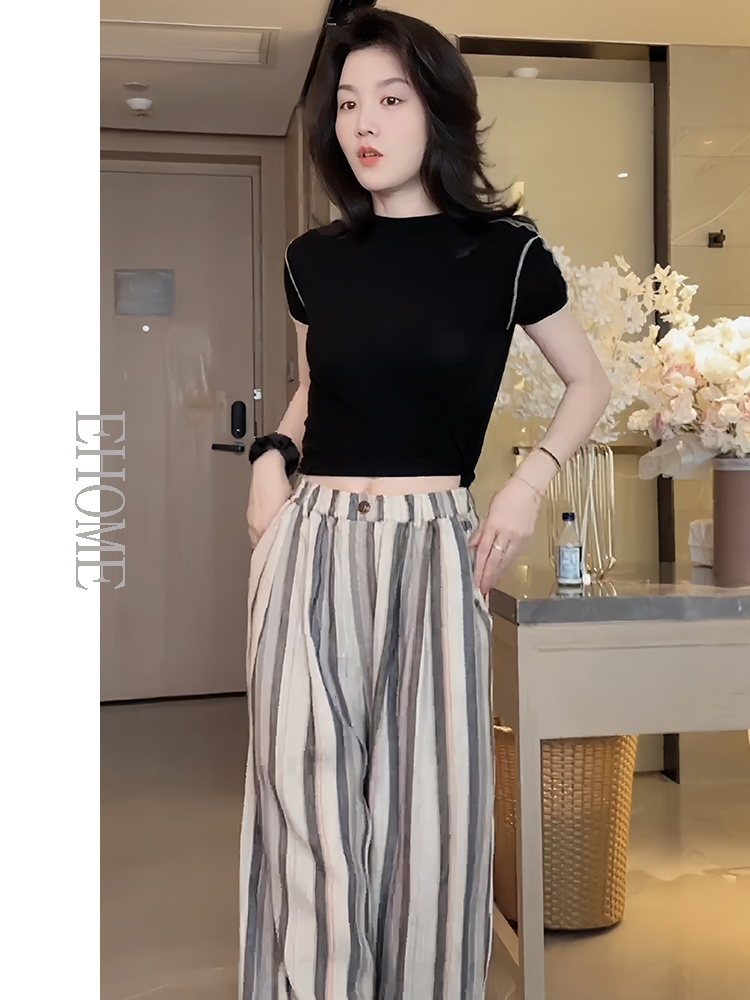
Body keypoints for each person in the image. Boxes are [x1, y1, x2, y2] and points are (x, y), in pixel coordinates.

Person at [239, 9, 611, 1000]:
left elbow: (589, 383)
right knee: (303, 814)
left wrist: (529, 481)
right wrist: (270, 457)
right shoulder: (313, 260)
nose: (363, 122)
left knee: (430, 830)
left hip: (432, 549)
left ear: (437, 111)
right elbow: (315, 390)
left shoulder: (504, 253)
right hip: (312, 544)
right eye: (347, 103)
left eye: (390, 99)